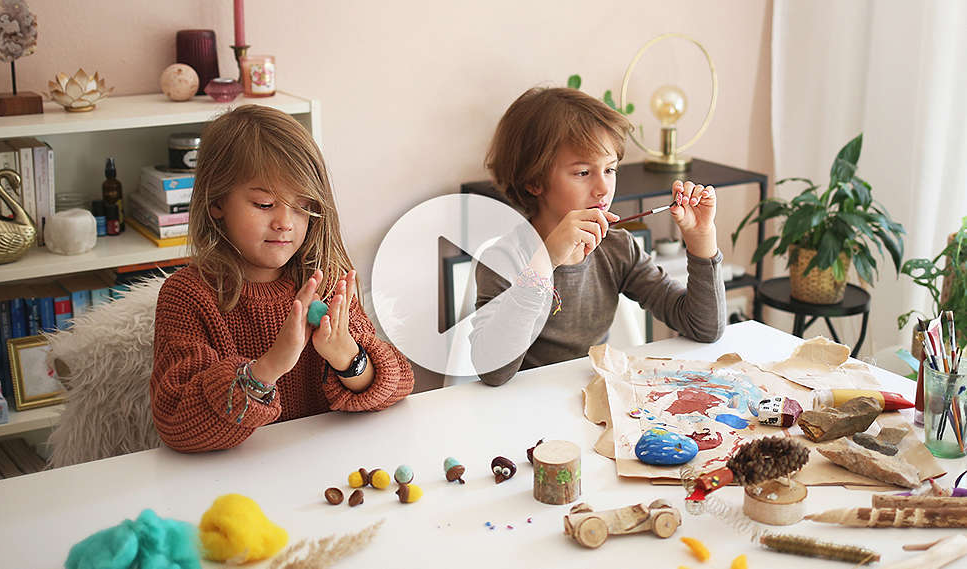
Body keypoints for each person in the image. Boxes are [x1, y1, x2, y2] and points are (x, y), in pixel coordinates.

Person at [151, 105, 414, 452]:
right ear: (216, 201)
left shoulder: (325, 280)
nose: (285, 222)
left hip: (325, 471)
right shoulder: (187, 296)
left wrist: (348, 358)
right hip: (235, 486)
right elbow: (178, 425)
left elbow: (398, 385)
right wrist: (268, 367)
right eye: (264, 204)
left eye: (302, 205)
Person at [471, 87, 726, 386]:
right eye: (582, 173)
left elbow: (704, 328)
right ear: (534, 182)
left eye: (609, 169)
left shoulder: (617, 249)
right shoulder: (504, 259)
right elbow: (492, 372)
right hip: (525, 414)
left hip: (590, 402)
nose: (603, 188)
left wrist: (701, 238)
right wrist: (546, 260)